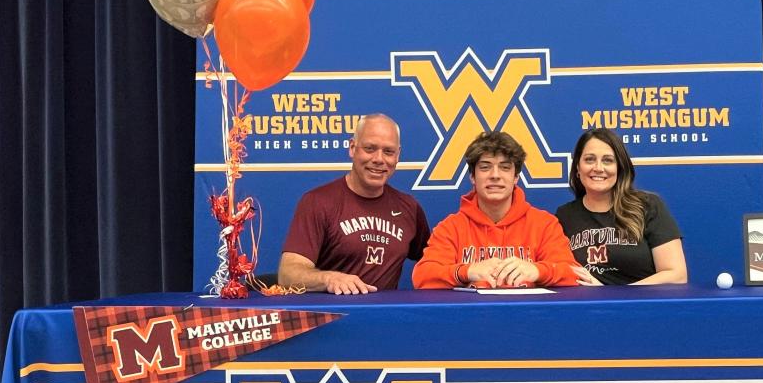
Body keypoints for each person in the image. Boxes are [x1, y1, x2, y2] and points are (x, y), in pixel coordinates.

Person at [278, 113, 430, 294]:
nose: (379, 159)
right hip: (334, 317)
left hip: (386, 318)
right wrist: (329, 278)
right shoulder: (318, 202)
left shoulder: (409, 208)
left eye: (388, 152)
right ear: (352, 148)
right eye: (370, 148)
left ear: (397, 156)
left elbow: (434, 262)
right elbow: (288, 275)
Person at [413, 132, 577, 289]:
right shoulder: (451, 228)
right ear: (472, 176)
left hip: (529, 316)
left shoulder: (544, 224)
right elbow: (422, 276)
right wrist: (467, 271)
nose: (495, 175)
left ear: (516, 177)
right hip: (471, 316)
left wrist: (538, 271)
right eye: (485, 167)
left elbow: (573, 273)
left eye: (505, 167)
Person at [556, 128, 687, 285]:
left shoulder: (647, 206)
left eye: (608, 160)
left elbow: (676, 275)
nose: (598, 167)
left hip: (642, 307)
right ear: (578, 167)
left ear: (620, 168)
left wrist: (610, 294)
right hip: (588, 308)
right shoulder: (564, 216)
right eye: (589, 159)